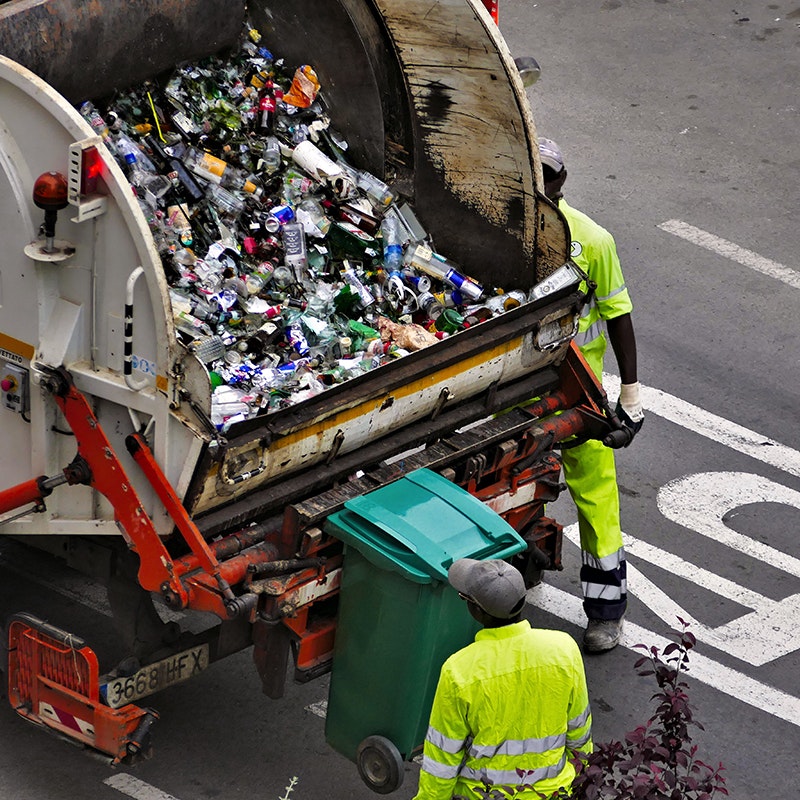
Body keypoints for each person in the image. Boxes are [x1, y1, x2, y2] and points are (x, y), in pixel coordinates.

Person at [537, 136, 644, 653]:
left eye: (549, 174)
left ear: (563, 180)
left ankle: (606, 613)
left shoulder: (593, 241)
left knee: (596, 499)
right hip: (514, 387)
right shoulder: (498, 226)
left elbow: (619, 316)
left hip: (577, 391)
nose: (541, 182)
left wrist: (631, 396)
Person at [413, 558, 593, 800]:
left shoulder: (459, 671)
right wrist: (584, 779)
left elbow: (443, 758)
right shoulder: (564, 650)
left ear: (476, 610)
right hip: (555, 792)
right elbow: (579, 731)